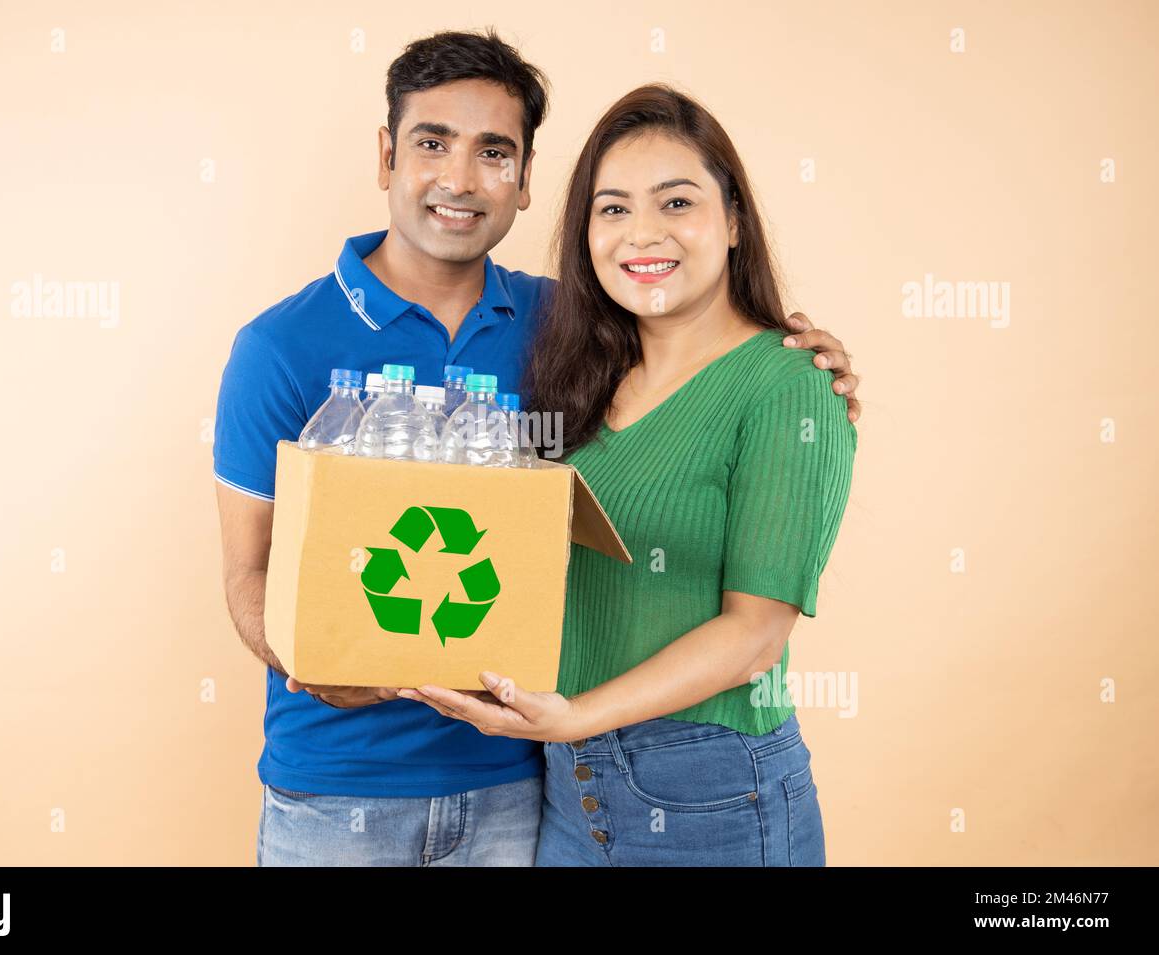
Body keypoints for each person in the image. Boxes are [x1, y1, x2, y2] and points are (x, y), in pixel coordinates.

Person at [214, 32, 863, 867]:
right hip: (341, 787)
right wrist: (309, 659)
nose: (459, 179)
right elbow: (247, 574)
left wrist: (812, 368)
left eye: (494, 152)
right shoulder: (280, 347)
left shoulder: (566, 333)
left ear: (524, 180)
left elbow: (711, 368)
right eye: (431, 143)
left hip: (523, 781)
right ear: (386, 155)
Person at [398, 84, 857, 866]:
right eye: (613, 210)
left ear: (735, 220)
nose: (642, 233)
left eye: (676, 203)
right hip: (571, 788)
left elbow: (754, 635)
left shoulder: (789, 384)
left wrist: (573, 715)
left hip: (712, 791)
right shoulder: (585, 370)